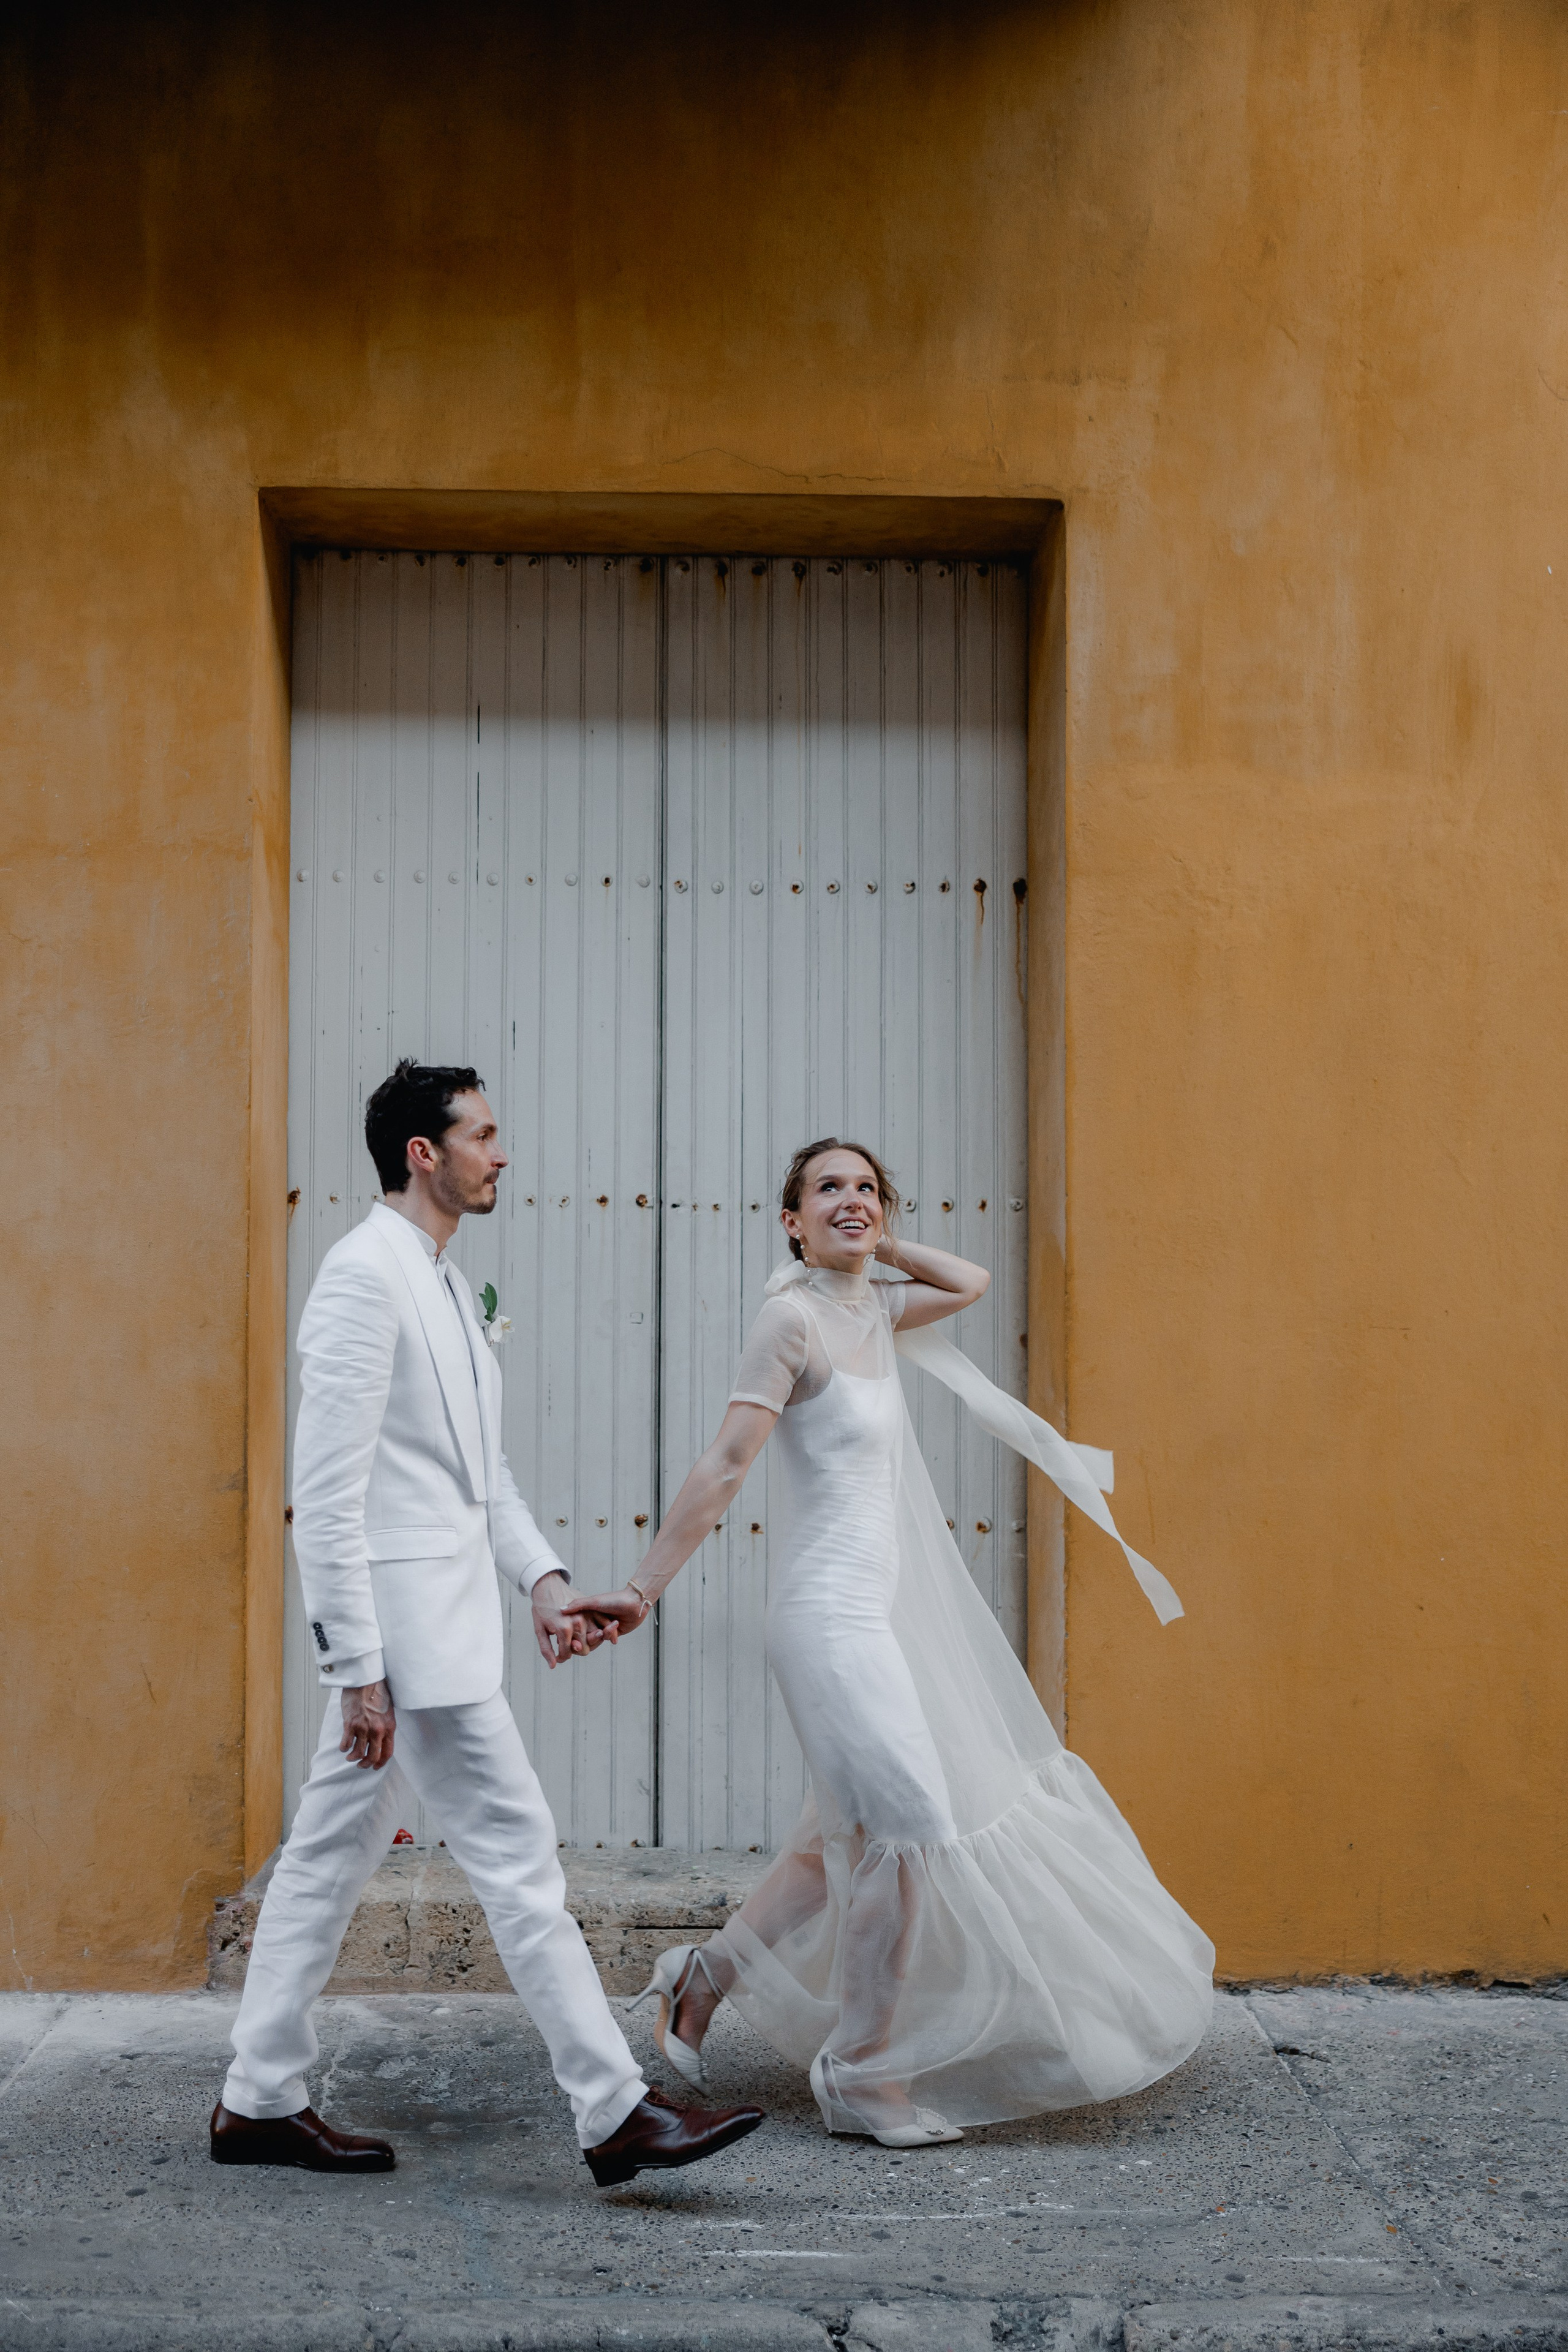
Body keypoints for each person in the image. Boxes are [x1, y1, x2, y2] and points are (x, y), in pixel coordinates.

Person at [571, 1139, 1214, 2149]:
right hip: (824, 1618)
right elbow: (727, 1463)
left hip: (871, 1613)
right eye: (827, 1189)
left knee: (839, 1847)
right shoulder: (789, 1321)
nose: (852, 1200)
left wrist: (873, 1246)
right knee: (911, 1825)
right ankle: (864, 2074)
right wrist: (646, 1587)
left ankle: (701, 1980)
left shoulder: (872, 1307)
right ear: (789, 1219)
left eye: (867, 1189)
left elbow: (970, 1278)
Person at [211, 1060, 763, 2186]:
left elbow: (479, 1475)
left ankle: (259, 2099)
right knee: (519, 1859)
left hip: (446, 1625)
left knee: (322, 1863)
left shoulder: (451, 1284)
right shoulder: (364, 1276)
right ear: (426, 1152)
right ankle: (614, 2111)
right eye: (485, 1133)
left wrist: (544, 1582)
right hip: (409, 1647)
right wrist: (357, 1668)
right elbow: (327, 1492)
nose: (502, 1153)